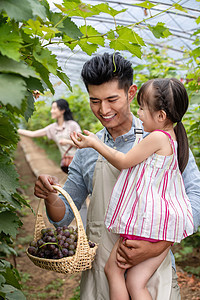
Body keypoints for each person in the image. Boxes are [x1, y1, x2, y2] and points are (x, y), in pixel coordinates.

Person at [34, 52, 200, 300]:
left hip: (152, 270)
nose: (103, 109)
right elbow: (64, 216)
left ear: (131, 93)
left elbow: (195, 197)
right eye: (95, 101)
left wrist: (158, 245)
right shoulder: (87, 150)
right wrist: (50, 196)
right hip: (102, 273)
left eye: (112, 99)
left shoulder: (160, 140)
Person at [70, 78, 194, 300]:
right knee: (137, 284)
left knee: (113, 271)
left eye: (143, 108)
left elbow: (124, 161)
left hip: (141, 225)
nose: (139, 113)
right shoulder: (174, 139)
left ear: (161, 116)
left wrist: (95, 144)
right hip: (160, 230)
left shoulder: (156, 137)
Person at [18, 99, 81, 174]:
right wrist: (15, 130)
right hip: (68, 163)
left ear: (62, 110)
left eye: (54, 108)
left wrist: (67, 141)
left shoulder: (72, 125)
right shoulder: (52, 128)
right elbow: (33, 134)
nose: (51, 111)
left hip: (80, 162)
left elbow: (81, 144)